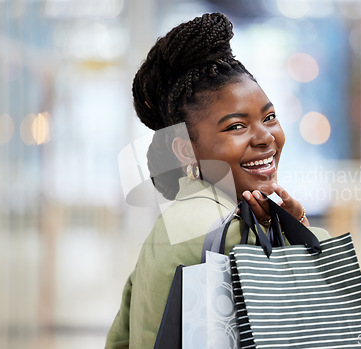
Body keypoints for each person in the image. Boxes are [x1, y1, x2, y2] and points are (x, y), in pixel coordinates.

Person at [105, 12, 330, 348]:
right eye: (236, 126)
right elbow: (322, 300)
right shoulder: (230, 230)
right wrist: (299, 228)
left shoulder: (172, 223)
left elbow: (121, 338)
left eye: (269, 117)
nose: (265, 137)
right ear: (185, 150)